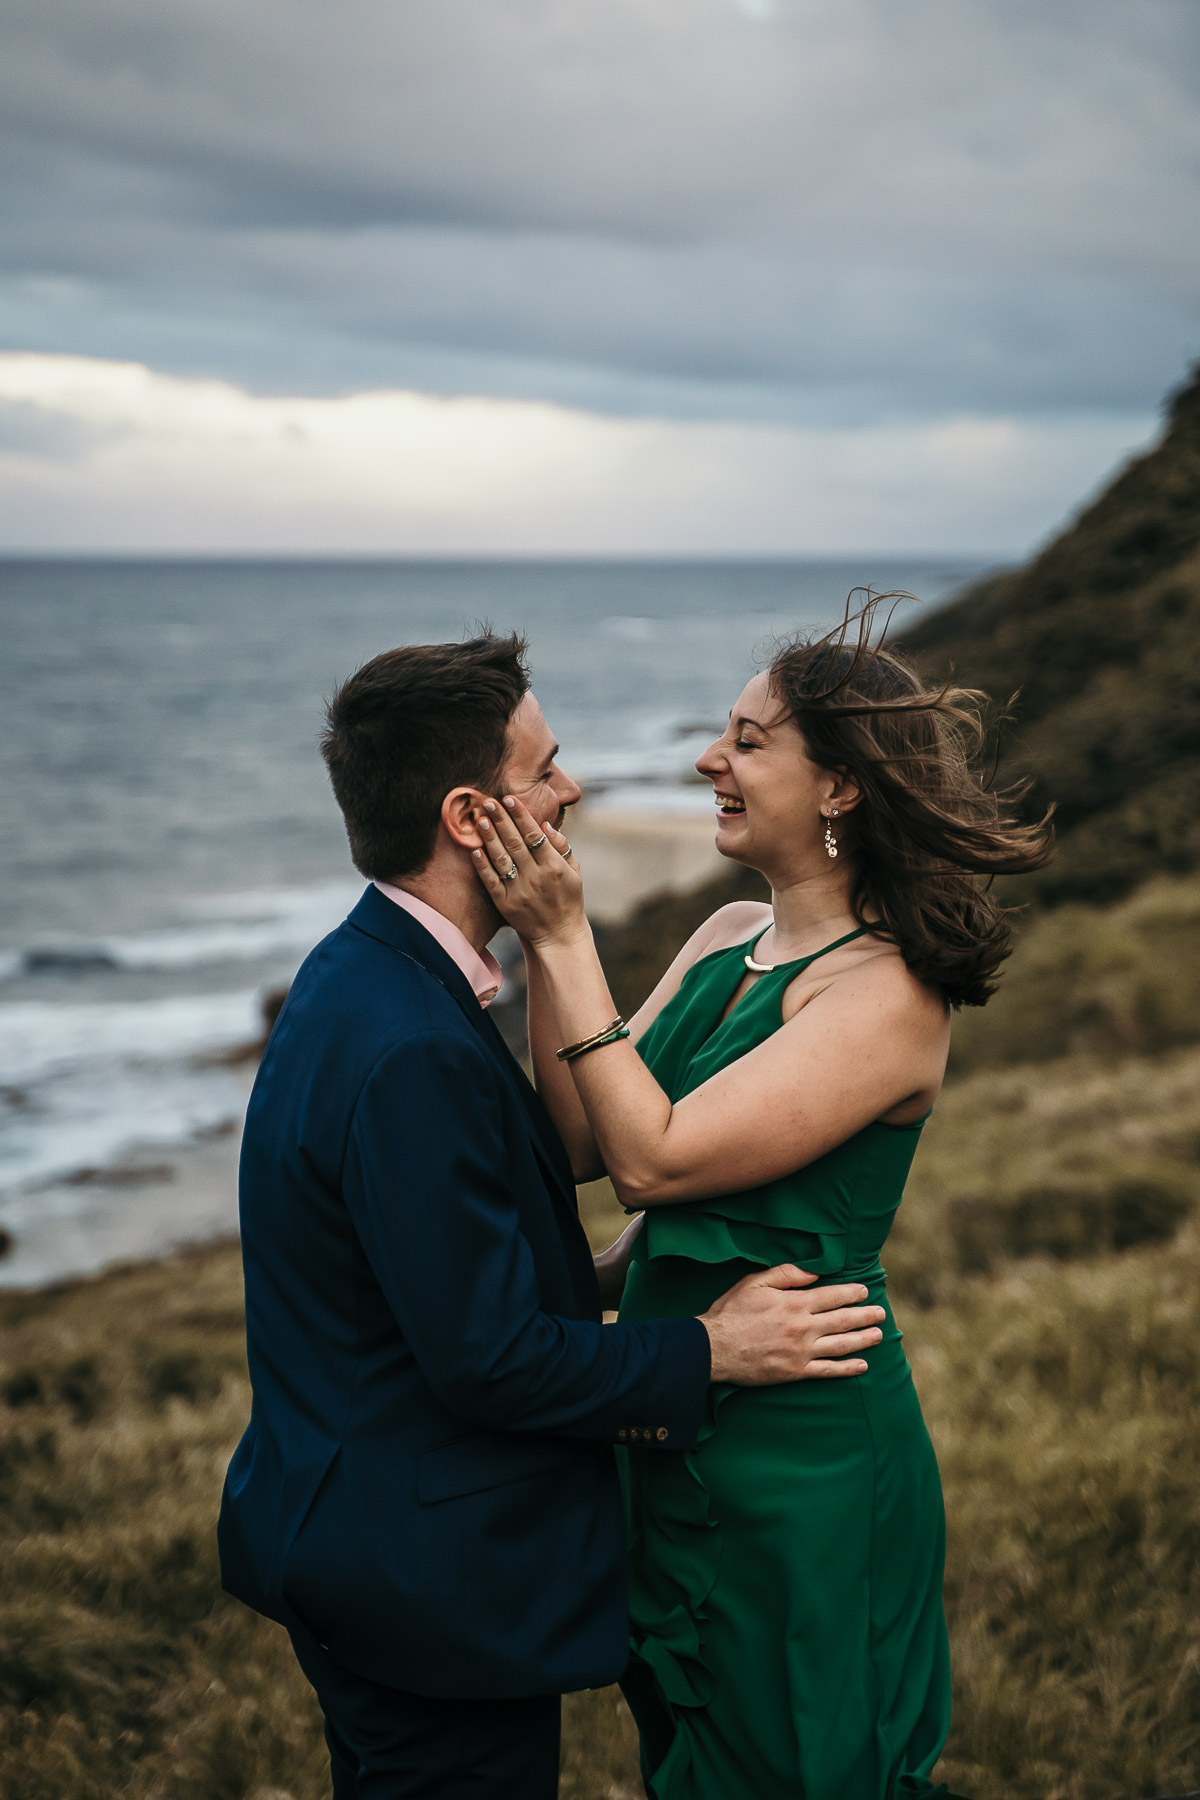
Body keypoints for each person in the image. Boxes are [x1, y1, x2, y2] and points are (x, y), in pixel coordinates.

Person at [217, 632, 887, 1800]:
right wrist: (713, 1350)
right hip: (424, 1580)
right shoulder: (413, 1046)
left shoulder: (362, 974)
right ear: (475, 816)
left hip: (355, 1542)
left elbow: (437, 1275)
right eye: (549, 770)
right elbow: (486, 1361)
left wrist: (618, 1273)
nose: (573, 791)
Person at [471, 606, 1053, 1800]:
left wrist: (566, 932)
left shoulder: (888, 994)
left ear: (838, 786)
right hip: (682, 1410)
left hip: (807, 1446)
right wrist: (540, 954)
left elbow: (659, 1161)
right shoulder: (730, 933)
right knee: (697, 1745)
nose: (708, 761)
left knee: (803, 1756)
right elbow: (581, 1135)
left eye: (746, 742)